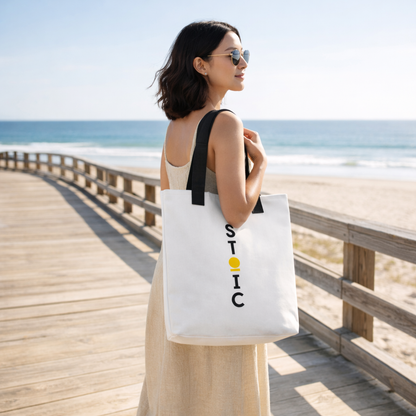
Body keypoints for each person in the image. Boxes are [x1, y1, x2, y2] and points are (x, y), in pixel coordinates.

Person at [136, 21, 270, 416]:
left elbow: (171, 202)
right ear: (200, 64)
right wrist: (261, 165)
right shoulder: (225, 122)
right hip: (222, 279)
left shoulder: (175, 126)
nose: (243, 62)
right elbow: (238, 213)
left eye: (245, 54)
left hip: (176, 274)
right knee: (224, 389)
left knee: (178, 386)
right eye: (233, 55)